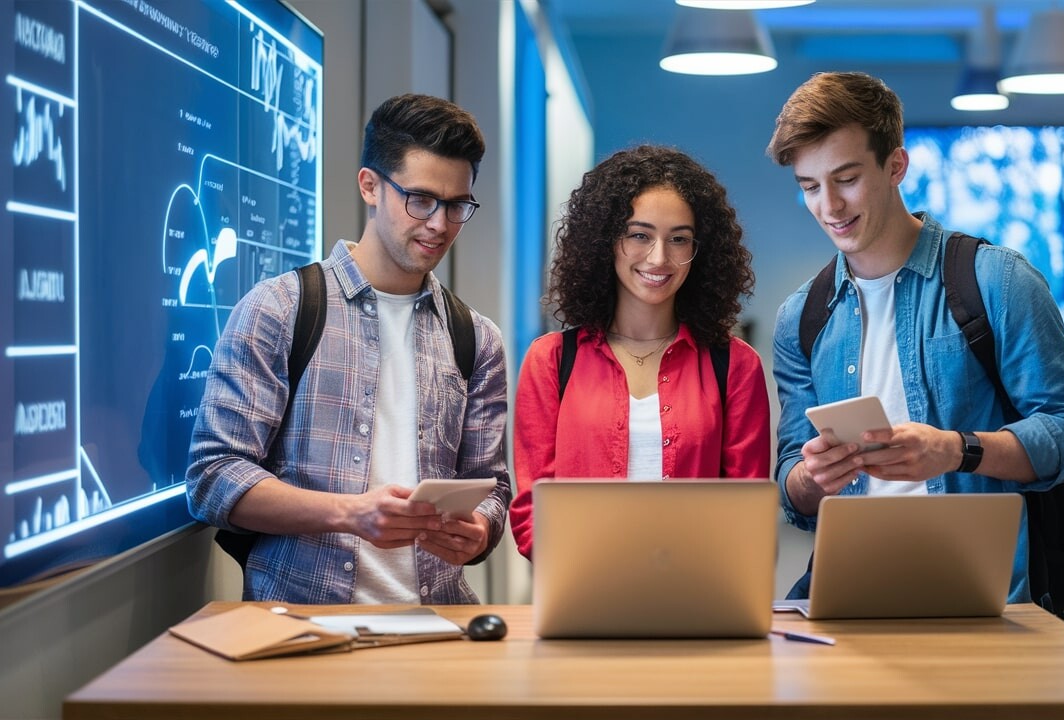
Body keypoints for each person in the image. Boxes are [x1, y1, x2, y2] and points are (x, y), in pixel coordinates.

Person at [765, 71, 1064, 603]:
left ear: (896, 166)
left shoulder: (997, 280)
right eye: (810, 187)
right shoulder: (800, 318)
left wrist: (957, 450)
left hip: (983, 595)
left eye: (847, 178)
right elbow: (793, 490)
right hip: (852, 591)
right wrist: (812, 476)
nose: (828, 206)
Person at [187, 95, 510, 604]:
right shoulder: (280, 309)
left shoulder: (477, 338)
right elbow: (213, 476)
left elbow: (491, 486)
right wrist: (350, 512)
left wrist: (479, 531)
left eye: (456, 205)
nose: (440, 224)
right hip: (302, 629)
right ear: (370, 186)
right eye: (421, 199)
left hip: (438, 628)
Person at [508, 145, 771, 559]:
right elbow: (530, 513)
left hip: (699, 600)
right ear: (605, 240)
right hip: (583, 596)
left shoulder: (736, 365)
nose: (659, 257)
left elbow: (748, 511)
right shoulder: (552, 360)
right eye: (639, 235)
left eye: (679, 239)